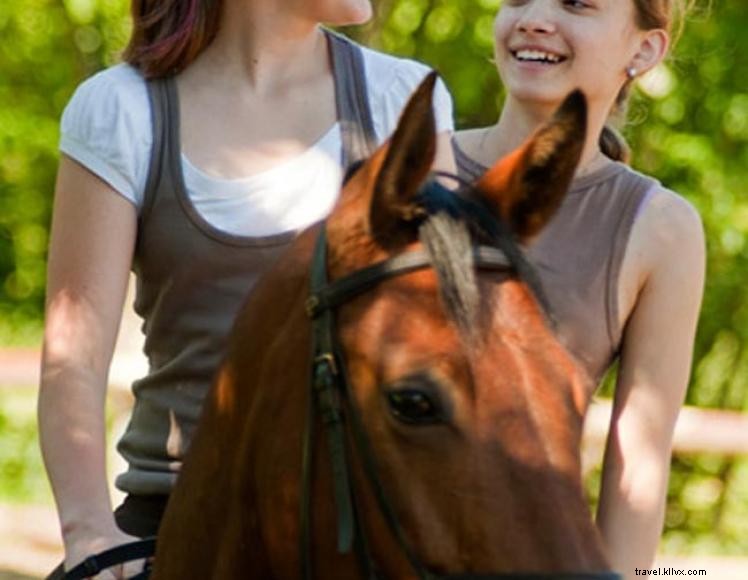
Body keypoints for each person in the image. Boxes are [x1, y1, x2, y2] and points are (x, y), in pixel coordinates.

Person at [38, 0, 454, 577]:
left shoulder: (403, 100)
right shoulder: (122, 109)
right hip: (178, 521)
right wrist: (89, 534)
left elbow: (445, 346)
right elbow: (73, 358)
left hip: (363, 524)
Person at [452, 1, 704, 578]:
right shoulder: (406, 167)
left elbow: (636, 473)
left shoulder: (660, 228)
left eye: (575, 4)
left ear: (643, 50)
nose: (535, 18)